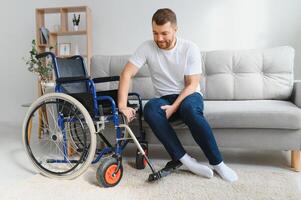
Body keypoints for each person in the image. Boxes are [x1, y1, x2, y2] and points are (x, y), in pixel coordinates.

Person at [118, 8, 238, 182]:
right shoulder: (146, 47)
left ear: (175, 29)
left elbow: (192, 85)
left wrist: (174, 107)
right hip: (164, 98)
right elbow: (126, 74)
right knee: (150, 109)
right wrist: (122, 105)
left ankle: (218, 163)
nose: (159, 39)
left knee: (189, 109)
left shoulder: (189, 48)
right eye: (155, 33)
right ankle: (186, 160)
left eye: (164, 33)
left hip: (189, 95)